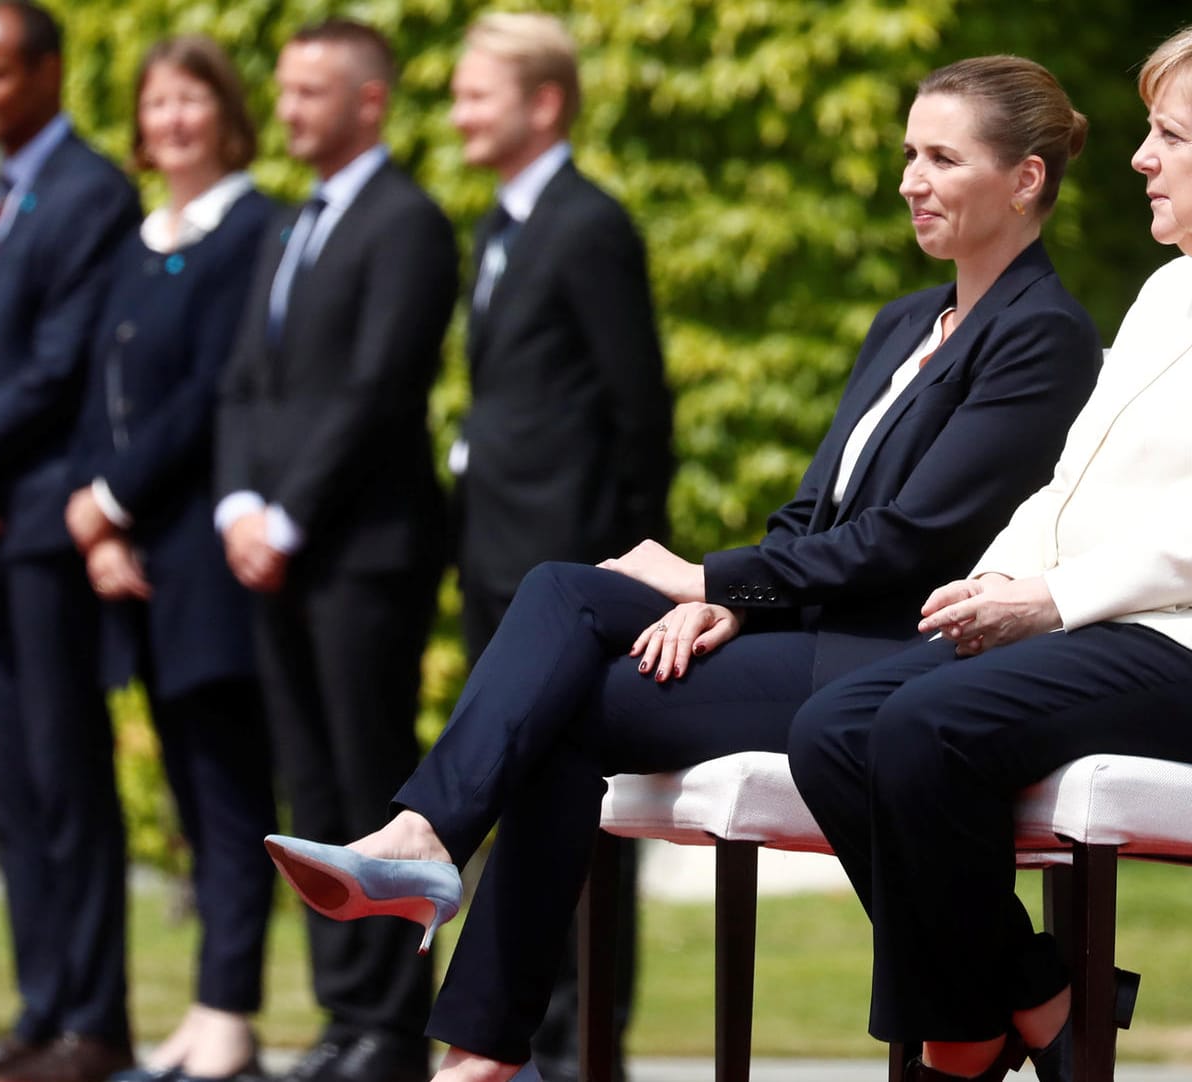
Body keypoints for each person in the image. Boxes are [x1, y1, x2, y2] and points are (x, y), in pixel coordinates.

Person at [264, 55, 1101, 1082]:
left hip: (899, 649)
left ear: (1024, 179)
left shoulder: (1046, 338)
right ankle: (470, 1015)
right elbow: (810, 513)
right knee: (563, 622)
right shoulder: (903, 322)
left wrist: (714, 582)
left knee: (563, 658)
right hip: (808, 630)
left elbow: (914, 542)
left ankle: (446, 923)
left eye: (940, 157)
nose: (909, 180)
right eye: (906, 155)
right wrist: (740, 606)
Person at [786, 24, 1192, 1082]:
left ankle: (957, 1044)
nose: (1138, 157)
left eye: (1169, 134)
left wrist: (1054, 599)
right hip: (1148, 628)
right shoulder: (1174, 291)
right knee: (834, 725)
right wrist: (1000, 578)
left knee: (927, 726)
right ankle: (1034, 998)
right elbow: (1070, 482)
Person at [213, 19, 457, 1082]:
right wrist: (236, 506)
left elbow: (376, 387)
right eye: (286, 89)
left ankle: (389, 1023)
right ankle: (340, 1011)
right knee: (307, 790)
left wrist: (290, 513)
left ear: (369, 101)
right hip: (275, 547)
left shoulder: (407, 222)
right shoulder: (288, 224)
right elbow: (242, 381)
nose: (290, 108)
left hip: (361, 550)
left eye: (313, 90)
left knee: (366, 785)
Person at [0, 4, 141, 1080]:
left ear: (49, 74)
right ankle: (42, 1010)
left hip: (40, 525)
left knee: (64, 779)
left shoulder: (92, 193)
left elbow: (58, 366)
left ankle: (93, 1020)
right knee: (10, 784)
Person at [445, 14, 671, 1077]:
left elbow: (639, 416)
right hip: (495, 562)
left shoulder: (590, 225)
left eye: (474, 93)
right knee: (530, 810)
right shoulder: (497, 228)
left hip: (573, 573)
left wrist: (613, 567)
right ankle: (527, 1037)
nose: (456, 113)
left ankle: (589, 1046)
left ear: (542, 103)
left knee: (586, 814)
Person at [63, 34, 276, 1082]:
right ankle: (206, 1005)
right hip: (138, 556)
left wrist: (108, 500)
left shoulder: (252, 229)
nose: (171, 121)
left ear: (226, 113)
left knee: (232, 791)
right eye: (156, 105)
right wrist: (104, 527)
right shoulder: (141, 240)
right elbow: (101, 392)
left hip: (203, 550)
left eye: (191, 100)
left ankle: (230, 1008)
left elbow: (207, 392)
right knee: (194, 796)